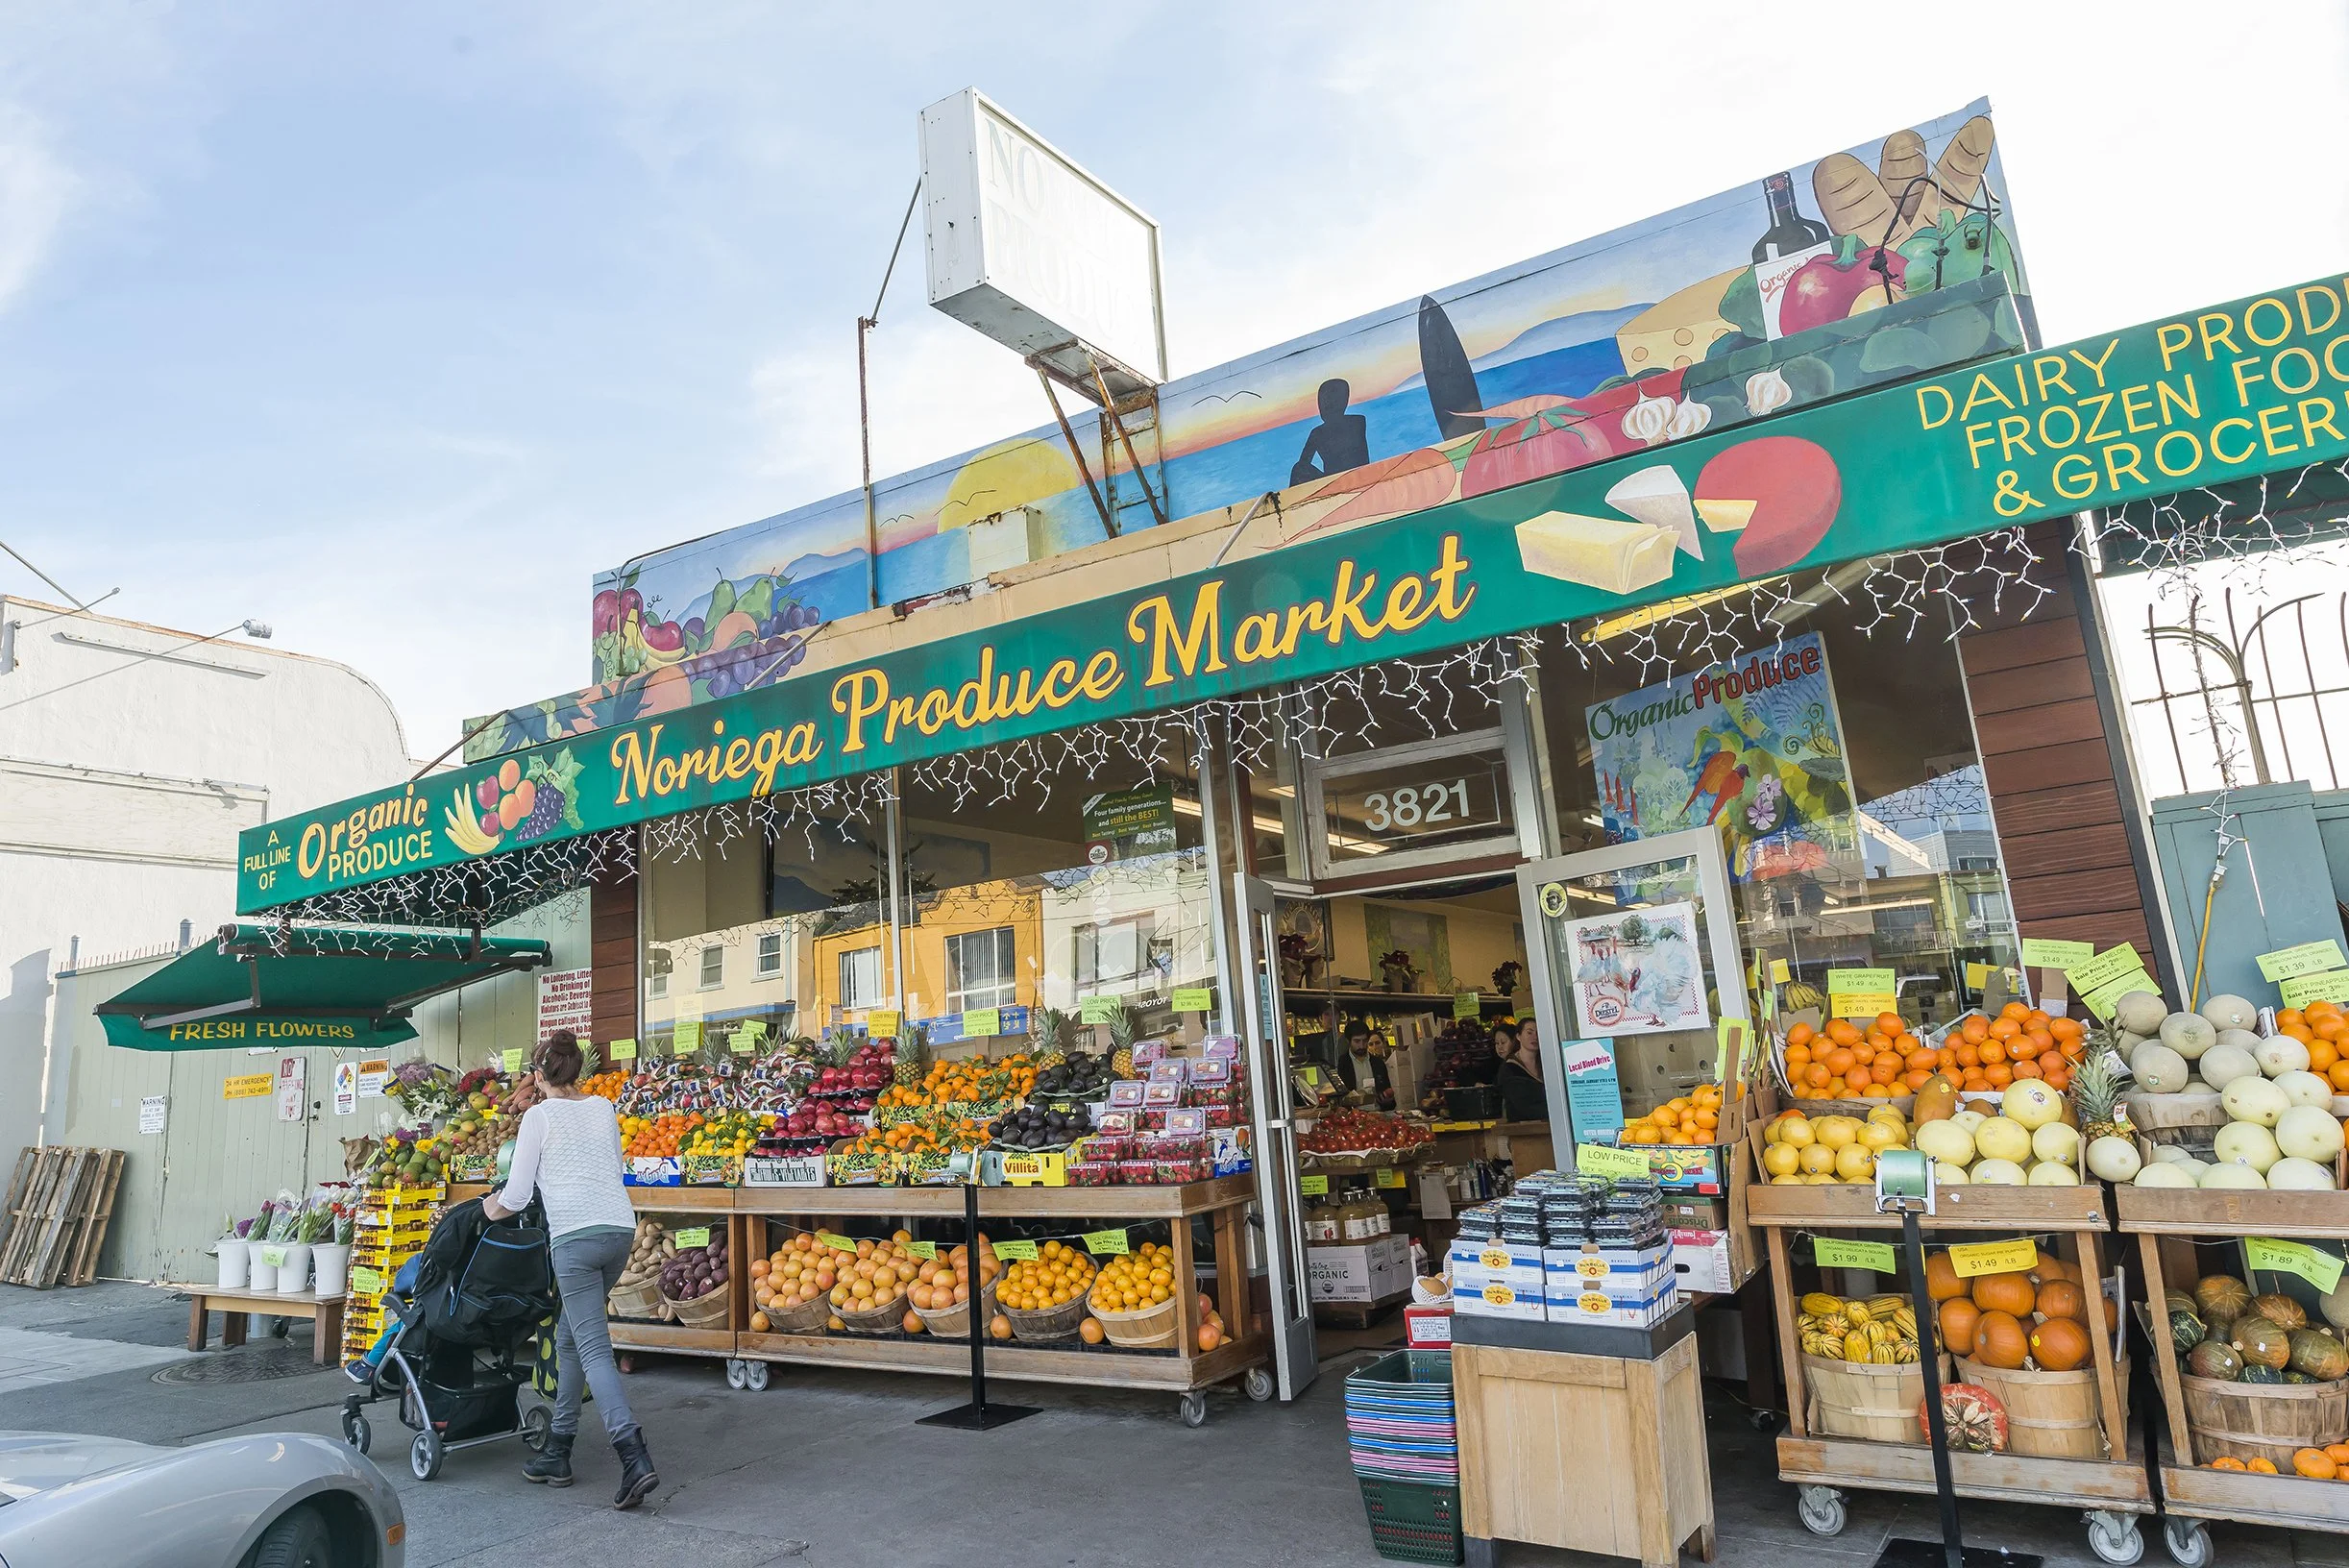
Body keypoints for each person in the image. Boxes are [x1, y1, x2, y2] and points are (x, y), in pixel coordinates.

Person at [481, 1031, 656, 1509]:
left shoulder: (537, 1117)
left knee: (595, 1347)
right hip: (620, 1231)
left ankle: (633, 1455)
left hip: (575, 1240)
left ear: (539, 1076)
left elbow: (516, 1198)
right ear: (578, 1071)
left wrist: (484, 1209)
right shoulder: (603, 1108)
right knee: (570, 1336)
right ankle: (558, 1448)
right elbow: (611, 1168)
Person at [1289, 378, 1371, 485]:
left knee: (1299, 468)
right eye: (1322, 403)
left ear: (1342, 402)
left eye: (1329, 403)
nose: (1324, 407)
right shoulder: (1317, 432)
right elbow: (1303, 463)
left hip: (1352, 479)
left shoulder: (1357, 422)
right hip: (1333, 481)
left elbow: (1360, 459)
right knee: (1299, 468)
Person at [1495, 1018, 1549, 1121]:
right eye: (1529, 1033)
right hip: (1521, 1130)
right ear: (1518, 1036)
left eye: (1538, 1032)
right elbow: (1523, 1106)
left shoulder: (1548, 1064)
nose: (1535, 1037)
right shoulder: (1509, 1068)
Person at [1332, 1017, 1393, 1107]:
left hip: (1377, 1114)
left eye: (1365, 1041)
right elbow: (1339, 1099)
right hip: (1354, 1115)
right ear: (1348, 1041)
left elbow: (1388, 1096)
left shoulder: (1378, 1063)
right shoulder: (1341, 1064)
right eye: (1357, 1041)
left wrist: (1387, 1100)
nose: (1361, 1046)